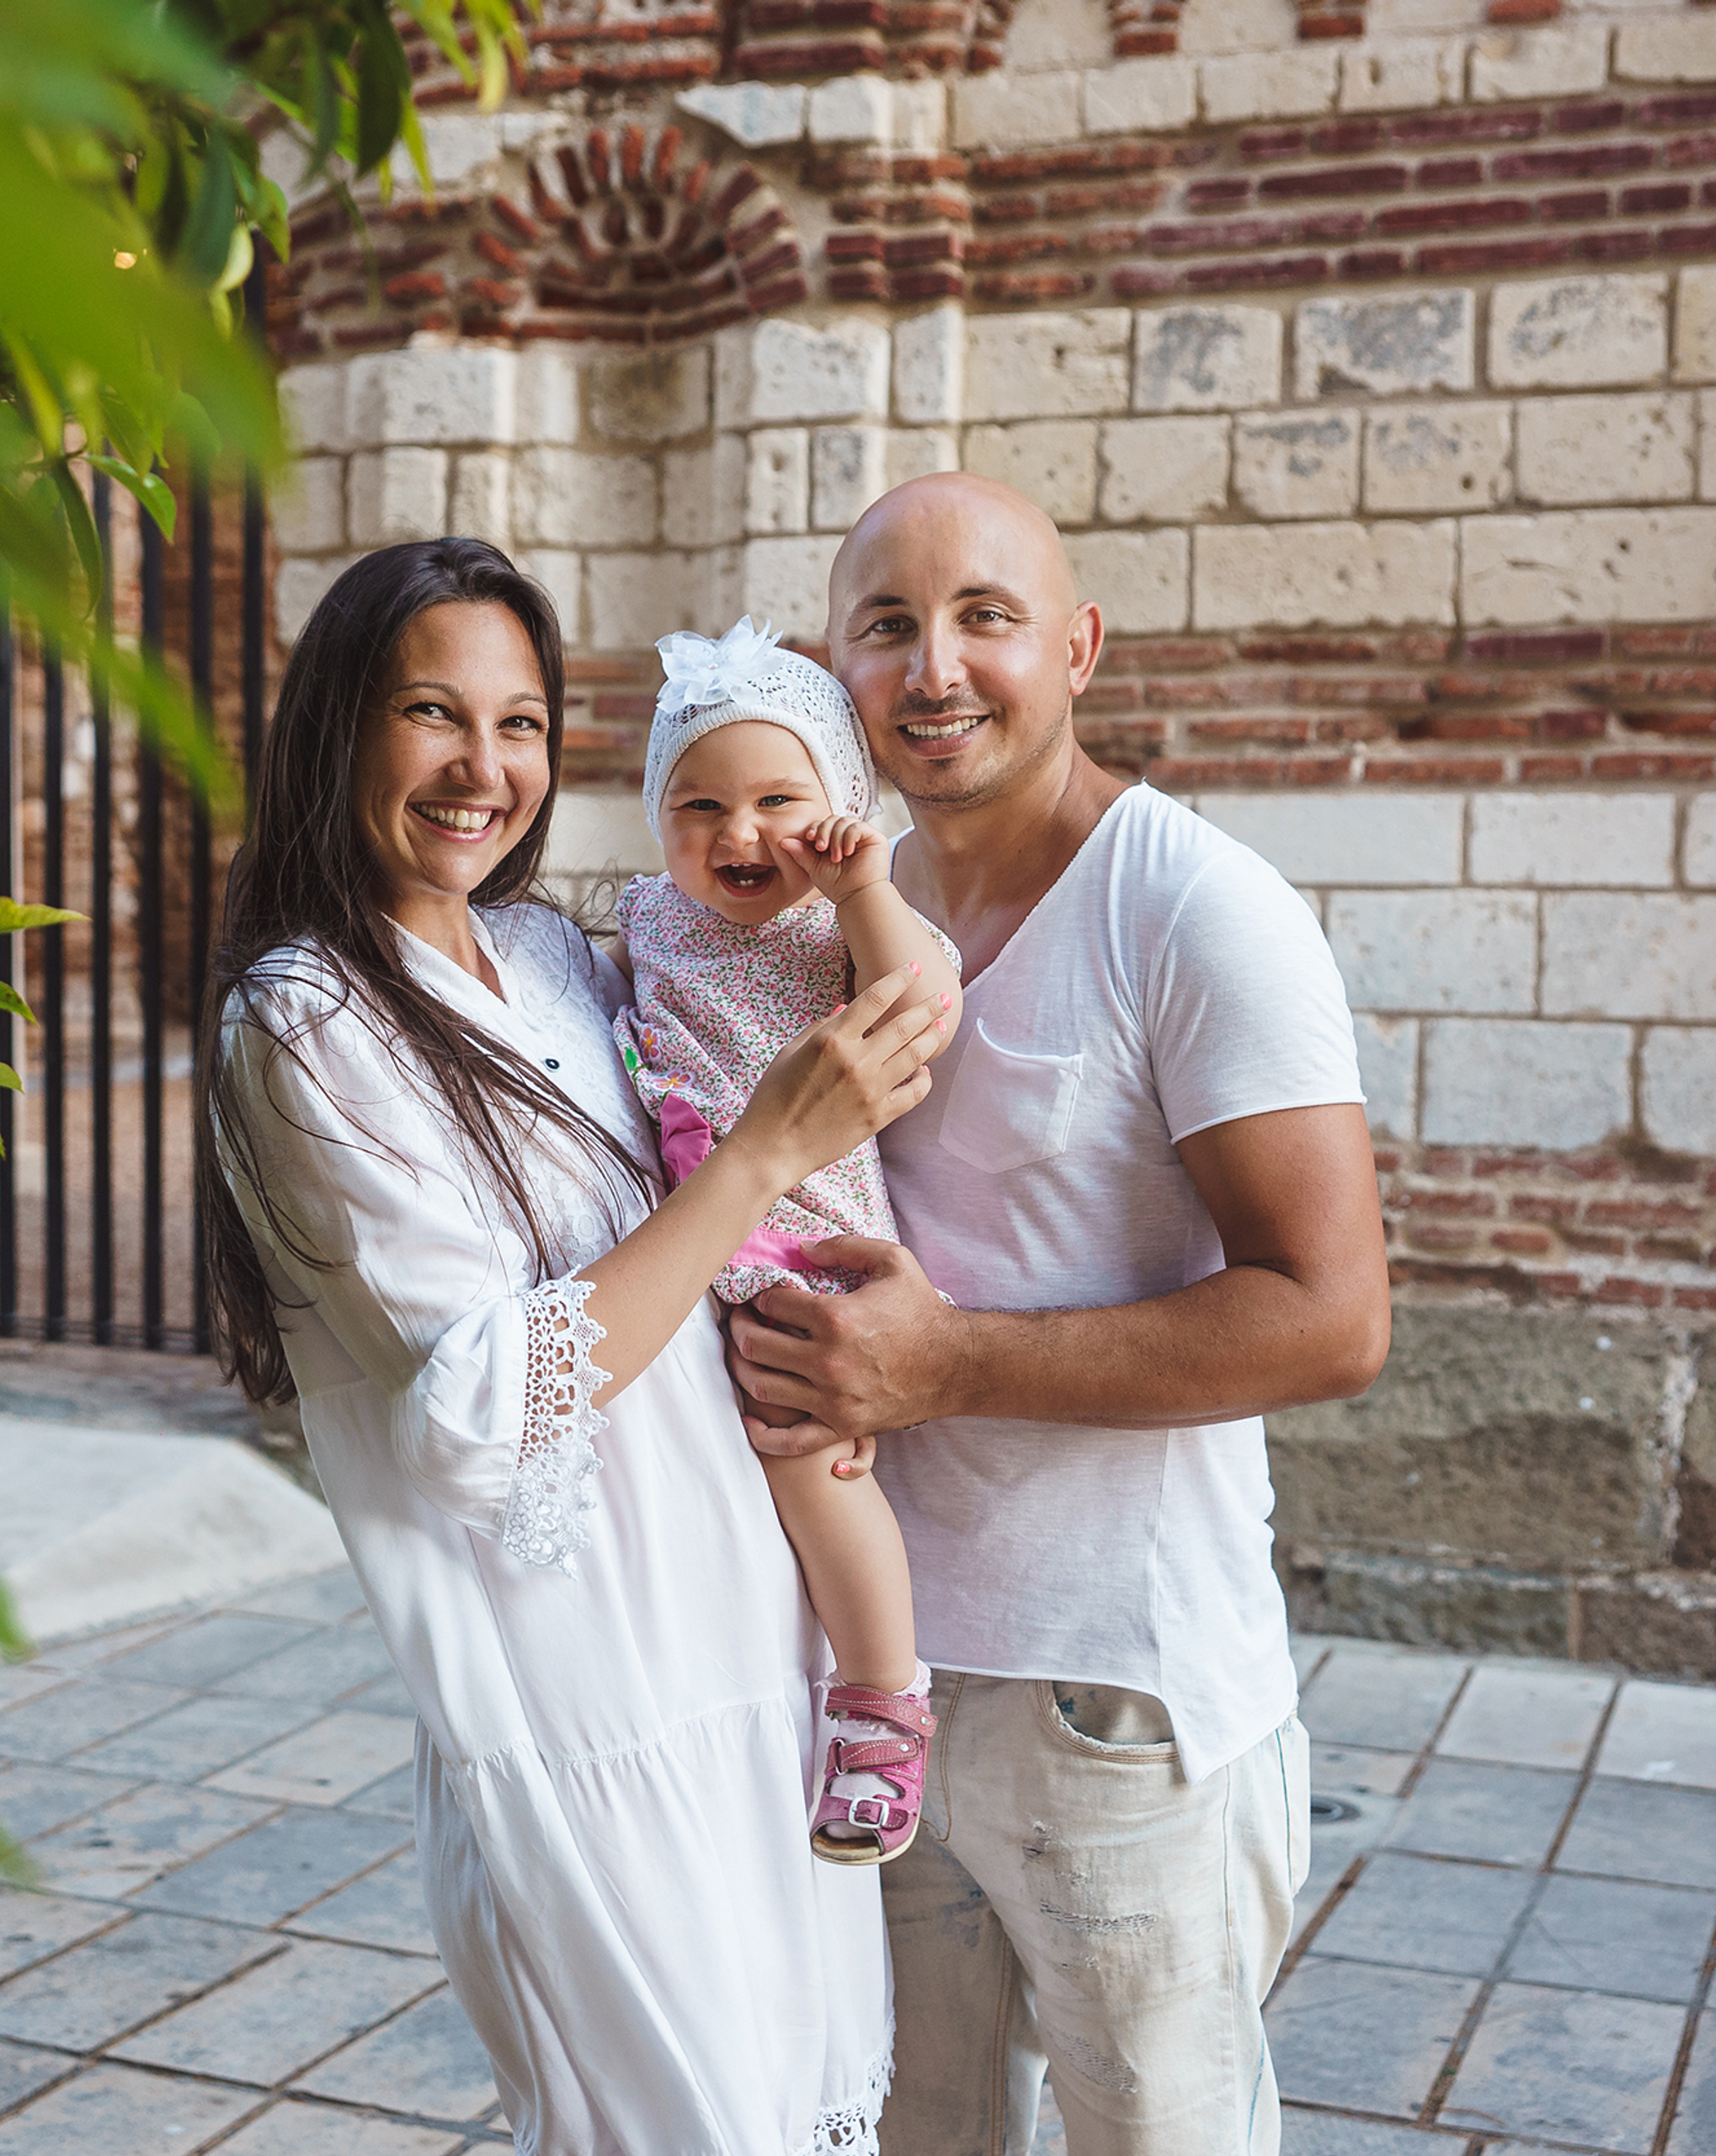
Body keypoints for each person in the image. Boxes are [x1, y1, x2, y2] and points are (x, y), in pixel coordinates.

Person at [194, 538, 946, 2156]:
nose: (486, 770)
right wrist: (761, 1151)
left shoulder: (549, 954)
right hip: (579, 1699)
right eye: (432, 715)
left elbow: (699, 1178)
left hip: (752, 1645)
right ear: (339, 727)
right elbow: (474, 1410)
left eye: (523, 722)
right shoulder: (304, 1018)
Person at [728, 472, 1394, 2155]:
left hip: (1116, 1707)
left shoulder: (1190, 908)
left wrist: (938, 1360)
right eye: (884, 626)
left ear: (1077, 646)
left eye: (983, 617)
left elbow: (1330, 1316)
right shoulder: (846, 909)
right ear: (836, 665)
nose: (931, 666)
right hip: (882, 1683)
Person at [609, 613, 962, 1865]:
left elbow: (922, 1008)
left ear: (839, 807)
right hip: (684, 1246)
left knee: (816, 1470)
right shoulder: (648, 917)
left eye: (776, 801)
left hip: (801, 1255)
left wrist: (864, 884)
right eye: (697, 805)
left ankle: (881, 1706)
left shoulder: (837, 931)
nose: (738, 834)